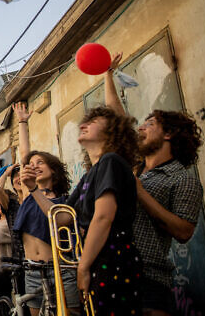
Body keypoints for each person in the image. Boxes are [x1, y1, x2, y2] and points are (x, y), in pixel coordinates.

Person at [105, 53, 204, 315]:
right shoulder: (136, 164)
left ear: (169, 134)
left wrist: (140, 192)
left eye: (149, 124)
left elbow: (183, 232)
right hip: (113, 270)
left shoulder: (184, 179)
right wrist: (108, 75)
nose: (140, 128)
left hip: (148, 278)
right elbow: (118, 117)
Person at [22, 106, 143, 314]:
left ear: (111, 130)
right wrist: (33, 189)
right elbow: (61, 217)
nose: (84, 124)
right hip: (98, 257)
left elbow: (103, 217)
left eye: (94, 121)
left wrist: (83, 266)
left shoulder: (110, 161)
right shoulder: (90, 174)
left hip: (113, 256)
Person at [11, 101, 80, 316]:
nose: (34, 166)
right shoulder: (28, 193)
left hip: (61, 270)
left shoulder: (64, 201)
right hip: (32, 271)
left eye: (40, 162)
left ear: (53, 169)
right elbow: (24, 155)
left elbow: (56, 217)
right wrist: (22, 122)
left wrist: (34, 189)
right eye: (32, 165)